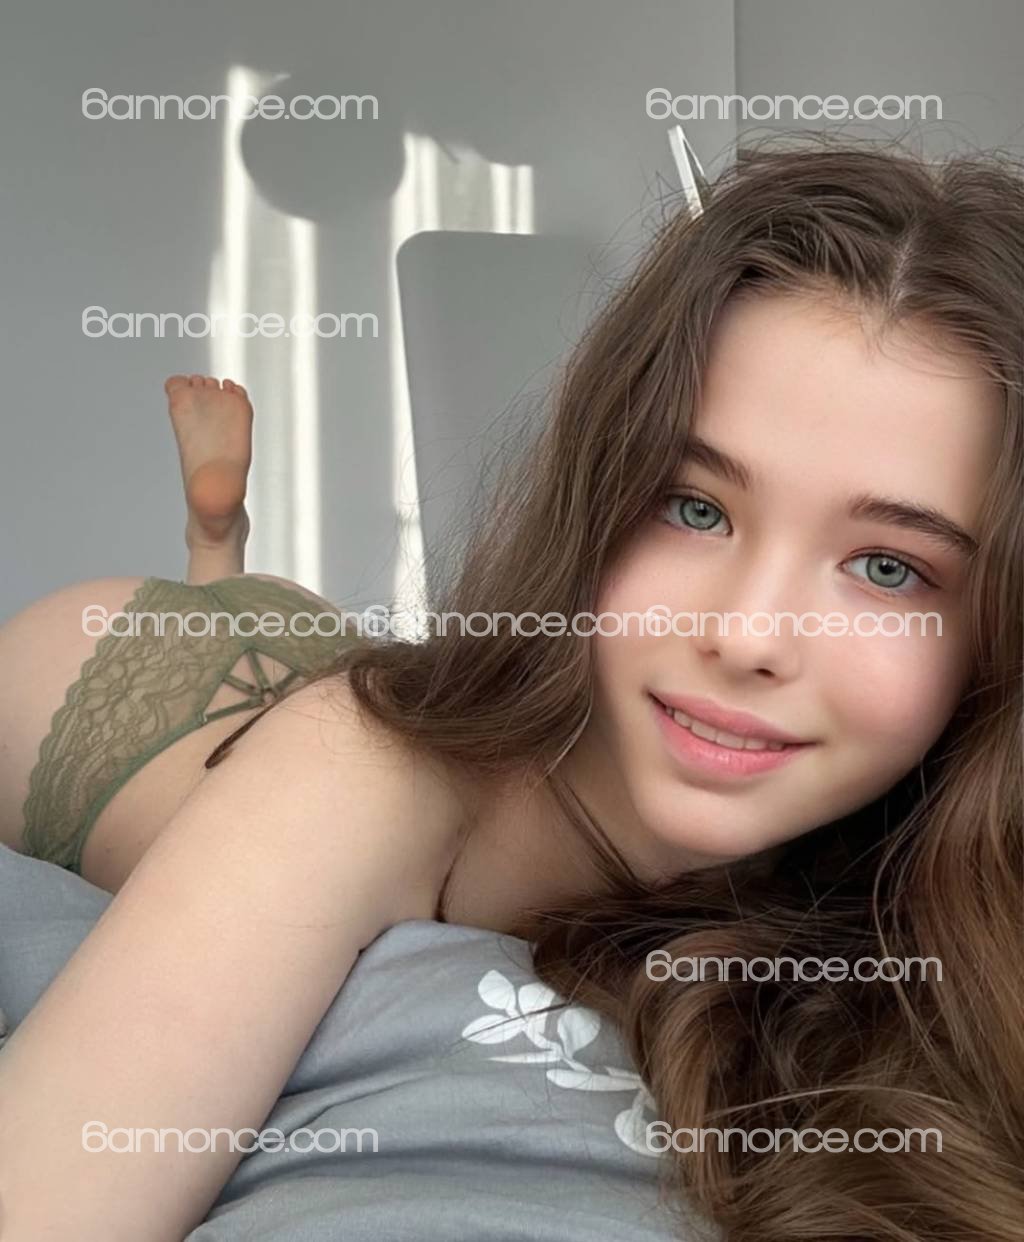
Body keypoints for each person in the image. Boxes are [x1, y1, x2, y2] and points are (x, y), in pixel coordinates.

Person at [0, 133, 1021, 1241]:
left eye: (887, 568)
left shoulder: (942, 868)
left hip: (319, 666)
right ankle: (218, 556)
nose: (745, 637)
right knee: (291, 656)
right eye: (694, 508)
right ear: (597, 493)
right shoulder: (358, 772)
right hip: (121, 680)